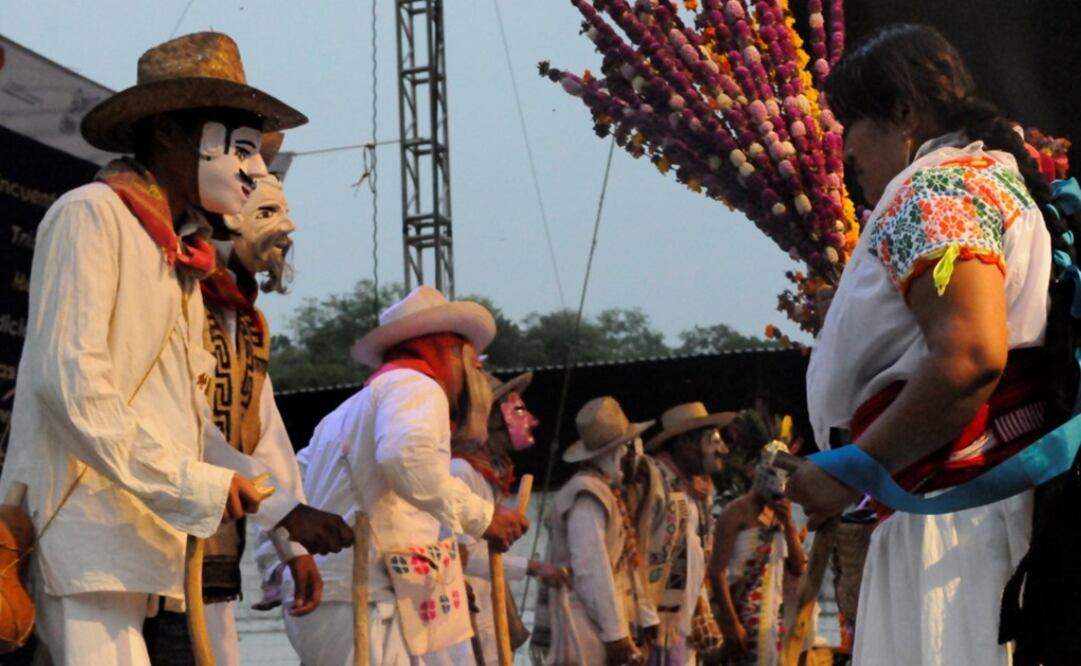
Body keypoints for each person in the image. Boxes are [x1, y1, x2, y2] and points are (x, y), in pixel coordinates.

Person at [0, 32, 352, 665]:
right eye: (240, 149)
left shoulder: (183, 263)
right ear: (167, 132)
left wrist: (283, 510)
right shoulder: (91, 216)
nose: (253, 171)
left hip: (144, 544)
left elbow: (189, 427)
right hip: (82, 540)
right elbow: (70, 385)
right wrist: (192, 485)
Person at [786, 24, 1065, 666]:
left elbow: (968, 358)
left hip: (952, 530)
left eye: (853, 123)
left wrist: (846, 472)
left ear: (904, 113)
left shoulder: (935, 191)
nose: (845, 149)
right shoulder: (975, 184)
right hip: (958, 522)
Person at [144, 132, 322, 665]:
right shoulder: (175, 293)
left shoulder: (246, 323)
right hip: (154, 546)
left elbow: (264, 435)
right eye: (262, 209)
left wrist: (295, 547)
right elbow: (191, 423)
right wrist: (290, 517)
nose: (282, 232)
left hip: (213, 557)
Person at [282, 286, 529, 665]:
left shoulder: (340, 414)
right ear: (450, 352)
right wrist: (483, 518)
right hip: (367, 603)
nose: (475, 375)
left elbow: (287, 496)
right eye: (472, 362)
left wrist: (286, 562)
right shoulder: (416, 385)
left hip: (332, 601)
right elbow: (405, 458)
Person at [448, 372, 570, 665]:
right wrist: (531, 567)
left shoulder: (488, 472)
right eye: (513, 408)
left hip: (486, 613)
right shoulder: (460, 472)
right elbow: (461, 557)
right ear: (486, 418)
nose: (526, 417)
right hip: (466, 618)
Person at [542, 396, 652, 666]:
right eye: (626, 448)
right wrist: (615, 634)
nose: (630, 456)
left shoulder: (604, 490)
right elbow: (592, 569)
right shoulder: (587, 494)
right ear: (615, 451)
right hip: (585, 624)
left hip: (598, 620)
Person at [633, 402, 731, 664]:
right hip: (656, 624)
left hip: (682, 623)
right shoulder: (653, 483)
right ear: (685, 442)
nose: (722, 450)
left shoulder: (696, 493)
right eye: (712, 440)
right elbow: (637, 553)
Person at [710, 442, 805, 666]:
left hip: (773, 619)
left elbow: (798, 568)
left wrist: (788, 525)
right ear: (758, 471)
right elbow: (717, 572)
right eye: (772, 473)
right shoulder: (736, 512)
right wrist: (732, 623)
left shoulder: (781, 514)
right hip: (742, 618)